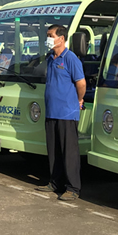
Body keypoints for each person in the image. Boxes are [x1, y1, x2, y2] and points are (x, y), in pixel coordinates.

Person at [35, 24, 85, 201]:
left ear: (61, 38)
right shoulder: (50, 58)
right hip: (51, 112)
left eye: (51, 36)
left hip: (67, 113)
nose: (48, 39)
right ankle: (55, 182)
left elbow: (81, 83)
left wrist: (79, 100)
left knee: (69, 152)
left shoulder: (70, 58)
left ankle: (73, 188)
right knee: (53, 150)